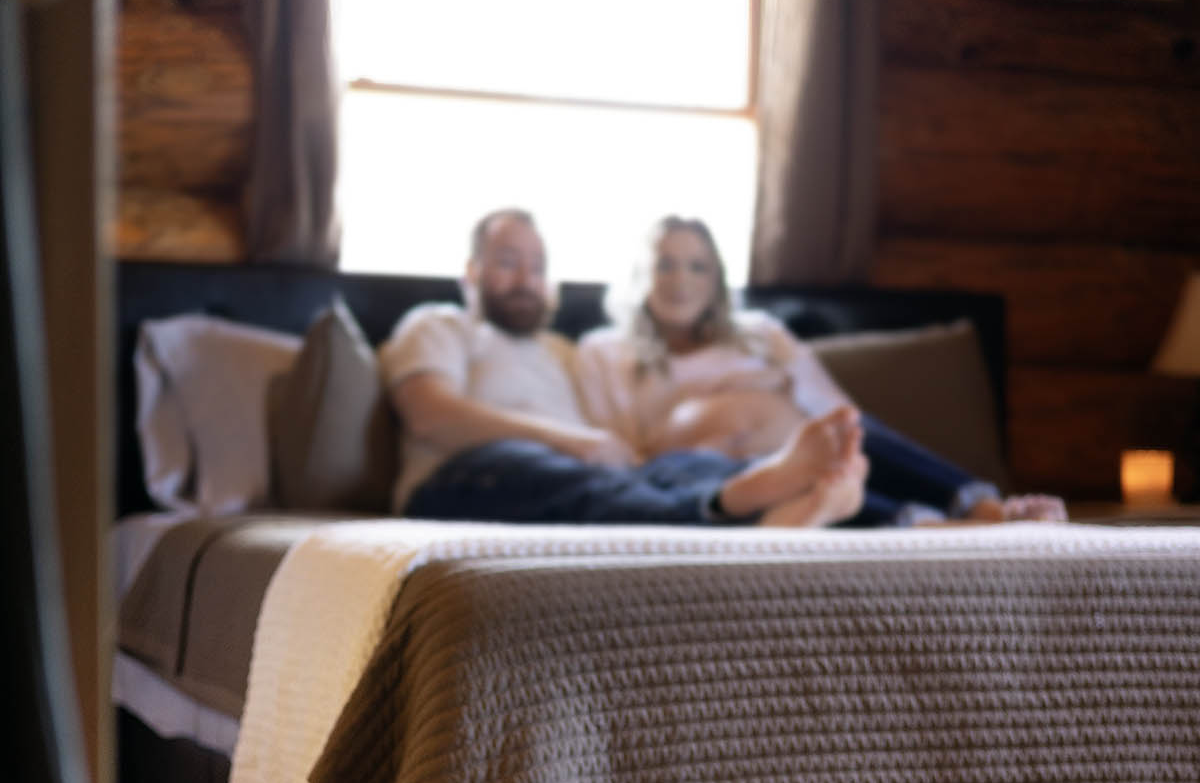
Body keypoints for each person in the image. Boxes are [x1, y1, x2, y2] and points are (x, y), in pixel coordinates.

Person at [380, 209, 867, 530]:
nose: (526, 279)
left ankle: (778, 502)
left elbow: (619, 429)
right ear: (472, 272)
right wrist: (577, 442)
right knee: (561, 474)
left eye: (538, 265)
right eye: (508, 262)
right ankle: (743, 507)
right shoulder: (440, 324)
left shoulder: (561, 353)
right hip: (463, 479)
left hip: (571, 477)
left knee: (675, 466)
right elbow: (430, 413)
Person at [576, 216, 1068, 528]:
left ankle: (980, 505)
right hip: (711, 475)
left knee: (847, 431)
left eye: (697, 267)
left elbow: (832, 405)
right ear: (641, 275)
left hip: (799, 446)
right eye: (665, 264)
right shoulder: (603, 350)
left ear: (717, 280)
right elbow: (612, 449)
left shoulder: (760, 331)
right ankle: (927, 530)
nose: (680, 280)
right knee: (799, 484)